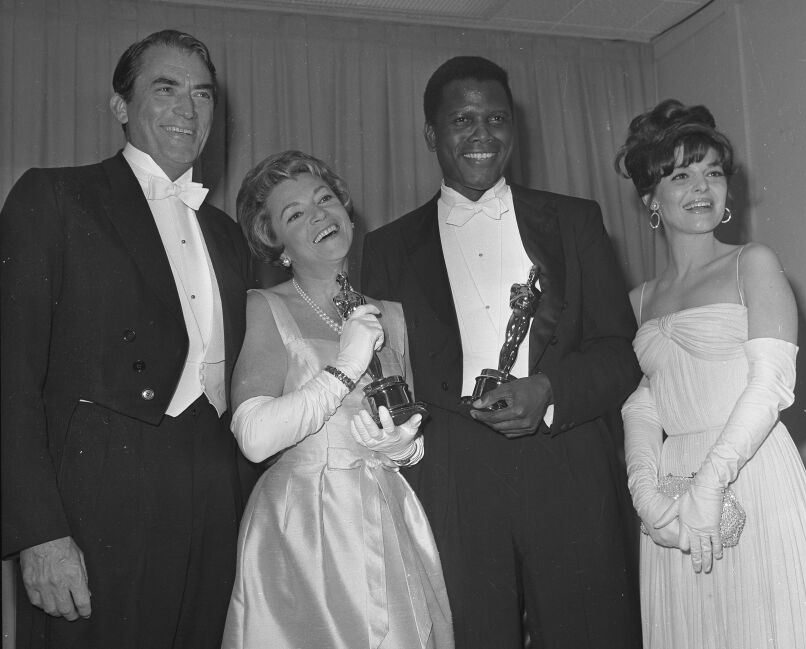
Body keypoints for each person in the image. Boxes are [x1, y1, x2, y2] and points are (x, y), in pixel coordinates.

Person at [361, 56, 642, 648]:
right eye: (463, 120)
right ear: (432, 135)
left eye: (496, 118)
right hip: (452, 473)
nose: (482, 134)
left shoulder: (574, 220)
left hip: (566, 458)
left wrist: (548, 391)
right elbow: (386, 376)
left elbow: (620, 351)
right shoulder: (386, 248)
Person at [0, 30, 258, 648]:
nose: (188, 109)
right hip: (95, 505)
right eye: (165, 89)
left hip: (213, 502)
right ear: (120, 106)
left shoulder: (227, 235)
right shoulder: (56, 197)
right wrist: (38, 532)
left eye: (202, 94)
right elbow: (8, 372)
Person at [616, 99, 806, 648]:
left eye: (713, 172)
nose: (701, 187)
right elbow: (642, 404)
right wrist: (646, 494)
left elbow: (771, 384)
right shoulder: (637, 300)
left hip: (749, 471)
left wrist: (711, 484)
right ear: (650, 198)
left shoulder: (751, 263)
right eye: (681, 174)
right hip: (673, 489)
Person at [221, 150, 453, 649]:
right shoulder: (264, 306)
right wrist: (345, 366)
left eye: (325, 199)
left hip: (387, 515)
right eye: (295, 214)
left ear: (347, 209)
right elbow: (255, 439)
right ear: (276, 243)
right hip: (302, 524)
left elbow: (404, 428)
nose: (320, 215)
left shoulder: (391, 315)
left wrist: (401, 449)